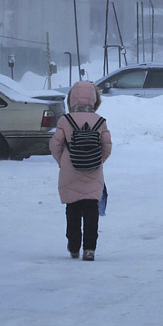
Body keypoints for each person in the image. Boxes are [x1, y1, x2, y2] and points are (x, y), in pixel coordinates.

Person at [50, 81, 112, 261]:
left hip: (70, 170)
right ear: (94, 98)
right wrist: (98, 161)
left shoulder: (65, 120)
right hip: (93, 170)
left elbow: (55, 144)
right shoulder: (100, 121)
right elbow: (107, 146)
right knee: (91, 211)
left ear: (72, 98)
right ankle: (90, 249)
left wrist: (63, 161)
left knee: (73, 209)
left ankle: (74, 247)